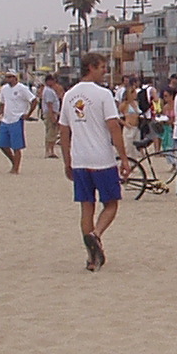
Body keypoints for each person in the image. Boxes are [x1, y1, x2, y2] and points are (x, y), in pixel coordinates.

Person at [59, 52, 124, 270]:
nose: (105, 71)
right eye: (102, 67)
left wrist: (67, 160)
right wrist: (124, 157)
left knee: (87, 208)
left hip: (80, 159)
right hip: (101, 159)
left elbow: (64, 130)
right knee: (111, 204)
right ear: (91, 68)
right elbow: (113, 127)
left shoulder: (69, 95)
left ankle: (91, 258)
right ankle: (96, 235)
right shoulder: (103, 94)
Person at [0, 70, 36, 174]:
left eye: (10, 77)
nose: (7, 79)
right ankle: (14, 161)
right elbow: (2, 103)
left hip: (17, 119)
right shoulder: (4, 89)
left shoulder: (22, 88)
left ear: (15, 78)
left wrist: (28, 114)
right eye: (6, 77)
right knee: (2, 144)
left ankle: (15, 169)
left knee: (16, 146)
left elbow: (34, 101)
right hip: (5, 119)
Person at [40, 73, 64, 159]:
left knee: (50, 132)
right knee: (51, 132)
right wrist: (53, 117)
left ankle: (50, 150)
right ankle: (49, 150)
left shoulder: (48, 90)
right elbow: (49, 105)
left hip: (51, 113)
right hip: (51, 113)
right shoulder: (49, 91)